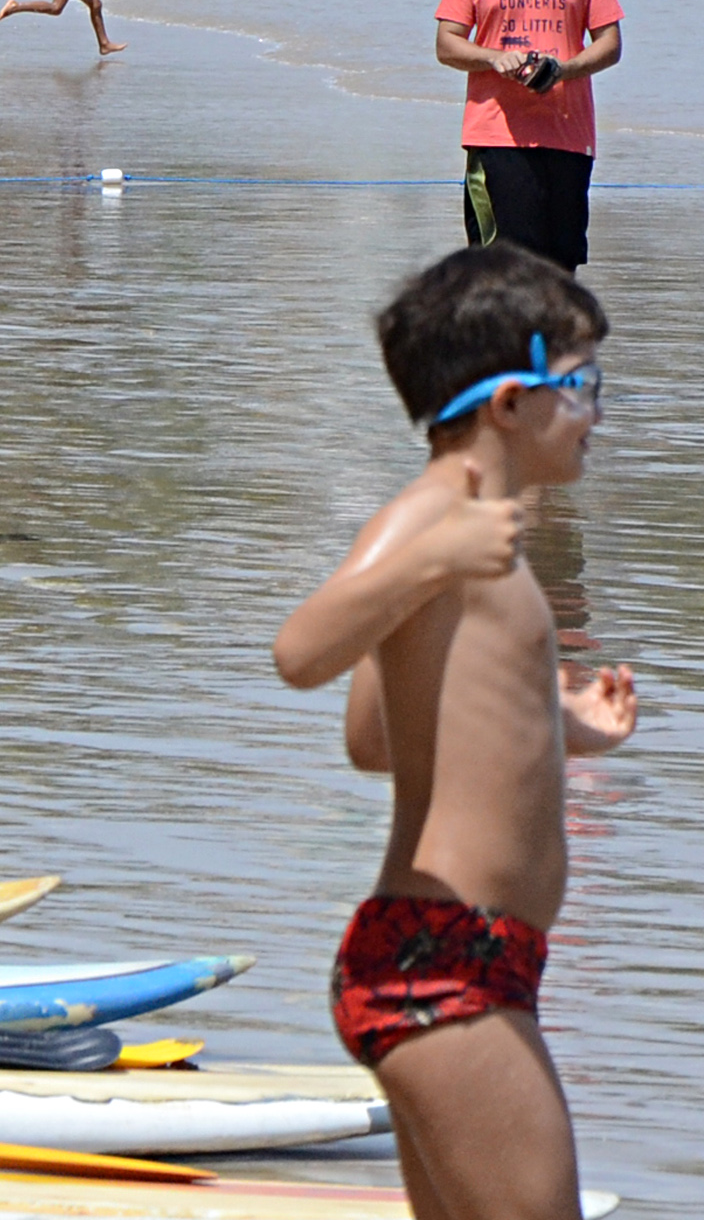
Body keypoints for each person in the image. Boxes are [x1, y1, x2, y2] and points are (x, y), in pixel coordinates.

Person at [270, 244, 635, 1220]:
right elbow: (301, 651)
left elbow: (374, 740)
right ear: (509, 403)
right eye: (581, 383)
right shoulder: (435, 521)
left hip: (458, 954)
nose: (598, 411)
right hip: (445, 960)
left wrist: (561, 724)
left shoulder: (482, 536)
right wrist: (431, 560)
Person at [435, 0, 619, 274]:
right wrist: (492, 57)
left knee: (559, 273)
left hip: (568, 135)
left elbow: (610, 43)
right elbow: (447, 44)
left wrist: (564, 69)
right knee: (500, 271)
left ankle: (550, 346)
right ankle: (502, 346)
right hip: (497, 139)